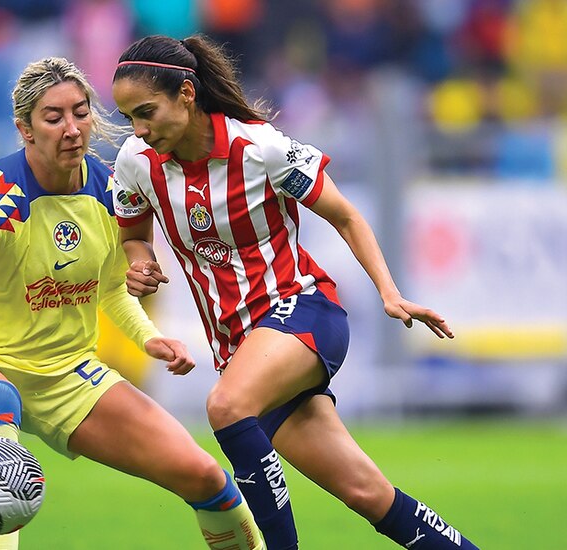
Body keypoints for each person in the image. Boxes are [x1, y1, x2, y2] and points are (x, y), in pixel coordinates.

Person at [0, 57, 263, 550]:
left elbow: (109, 287)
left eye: (81, 111)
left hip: (67, 371)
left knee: (205, 478)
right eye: (54, 117)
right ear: (24, 129)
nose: (72, 129)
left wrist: (148, 338)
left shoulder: (112, 188)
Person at [111, 35, 479, 550]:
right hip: (240, 349)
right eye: (129, 116)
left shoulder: (260, 147)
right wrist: (141, 262)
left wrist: (389, 293)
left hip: (302, 310)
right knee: (368, 493)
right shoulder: (135, 161)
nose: (139, 129)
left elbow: (346, 215)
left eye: (146, 112)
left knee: (225, 407)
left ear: (187, 94)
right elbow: (132, 236)